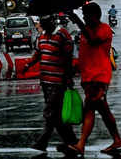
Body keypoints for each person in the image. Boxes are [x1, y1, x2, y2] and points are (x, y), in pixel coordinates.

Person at [66, 2, 121, 156]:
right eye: (83, 16)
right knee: (103, 110)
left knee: (90, 109)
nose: (84, 18)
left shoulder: (104, 29)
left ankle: (81, 144)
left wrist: (76, 20)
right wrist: (73, 71)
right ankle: (117, 140)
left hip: (99, 77)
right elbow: (84, 54)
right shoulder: (85, 33)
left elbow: (93, 40)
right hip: (88, 78)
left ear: (94, 16)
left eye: (86, 16)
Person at [22, 14, 77, 153]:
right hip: (45, 81)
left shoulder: (62, 35)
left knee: (50, 112)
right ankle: (71, 141)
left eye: (45, 23)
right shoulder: (42, 36)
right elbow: (38, 53)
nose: (43, 26)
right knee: (57, 114)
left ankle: (42, 141)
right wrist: (28, 64)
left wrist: (68, 78)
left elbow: (68, 58)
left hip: (58, 82)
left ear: (52, 22)